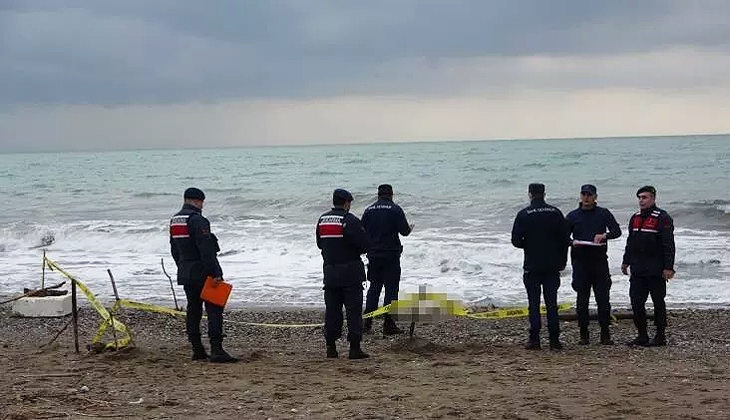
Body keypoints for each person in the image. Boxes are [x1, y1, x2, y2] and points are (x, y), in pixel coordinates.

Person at [169, 187, 238, 363]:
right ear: (198, 201)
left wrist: (181, 267)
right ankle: (216, 350)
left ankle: (197, 349)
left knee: (193, 310)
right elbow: (206, 249)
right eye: (202, 203)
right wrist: (216, 272)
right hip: (202, 272)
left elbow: (174, 249)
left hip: (186, 271)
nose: (202, 206)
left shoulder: (175, 221)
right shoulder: (198, 220)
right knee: (214, 309)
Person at [511, 183, 570, 350]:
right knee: (552, 303)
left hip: (532, 265)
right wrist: (562, 260)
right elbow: (565, 239)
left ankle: (535, 339)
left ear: (530, 194)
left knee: (534, 303)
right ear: (544, 194)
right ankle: (554, 340)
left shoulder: (524, 214)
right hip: (552, 266)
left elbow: (515, 241)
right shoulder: (555, 213)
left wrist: (530, 244)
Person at [316, 188, 370, 359]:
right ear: (347, 203)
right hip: (350, 273)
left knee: (332, 311)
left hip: (330, 272)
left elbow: (319, 244)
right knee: (353, 311)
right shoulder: (350, 220)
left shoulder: (322, 220)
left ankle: (331, 347)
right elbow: (364, 245)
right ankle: (354, 348)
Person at [566, 184, 622, 345]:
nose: (586, 197)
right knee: (582, 301)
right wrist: (572, 242)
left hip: (599, 261)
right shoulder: (572, 215)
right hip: (580, 262)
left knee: (603, 300)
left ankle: (605, 334)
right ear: (580, 196)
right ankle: (584, 334)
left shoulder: (603, 213)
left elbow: (617, 231)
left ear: (595, 197)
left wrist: (605, 235)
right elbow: (563, 236)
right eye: (584, 194)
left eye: (589, 194)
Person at [622, 185, 675, 347]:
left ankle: (660, 335)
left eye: (644, 197)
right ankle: (642, 335)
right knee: (636, 302)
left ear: (653, 198)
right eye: (639, 197)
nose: (641, 201)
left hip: (656, 269)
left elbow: (668, 245)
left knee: (658, 302)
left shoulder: (662, 217)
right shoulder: (635, 217)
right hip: (638, 269)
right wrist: (626, 261)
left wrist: (668, 267)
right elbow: (630, 242)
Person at [361, 184, 414, 335]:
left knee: (374, 288)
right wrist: (410, 228)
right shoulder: (395, 209)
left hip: (374, 255)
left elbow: (361, 231)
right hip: (391, 255)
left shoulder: (369, 210)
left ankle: (367, 323)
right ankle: (388, 324)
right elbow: (404, 232)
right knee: (391, 289)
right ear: (391, 195)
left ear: (378, 195)